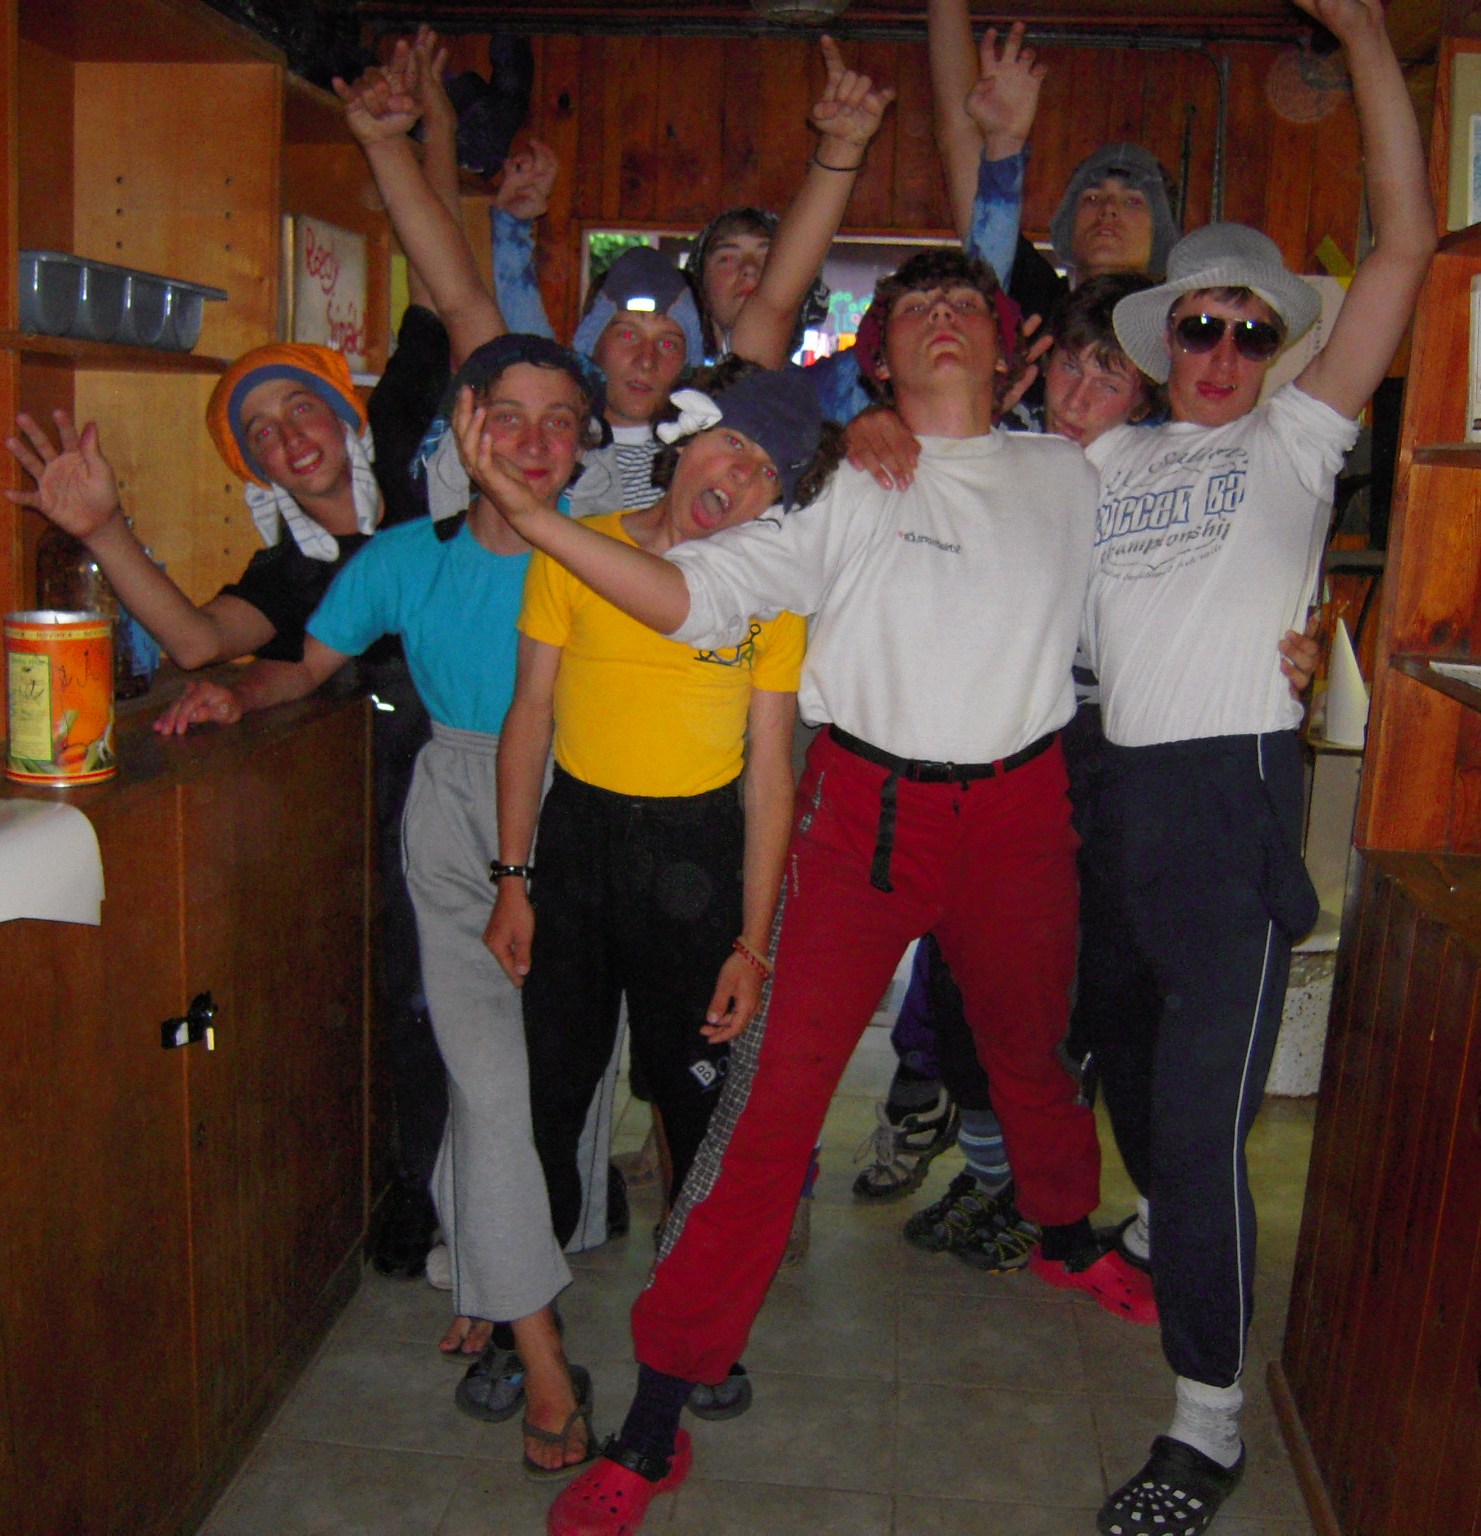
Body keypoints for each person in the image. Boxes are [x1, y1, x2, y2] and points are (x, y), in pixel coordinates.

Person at [463, 244, 1103, 1535]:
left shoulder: (1071, 475)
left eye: (963, 306)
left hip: (1023, 807)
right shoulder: (843, 492)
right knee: (767, 1107)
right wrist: (536, 523)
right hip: (866, 816)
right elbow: (687, 595)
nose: (940, 321)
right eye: (914, 308)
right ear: (878, 355)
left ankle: (1065, 1227)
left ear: (1005, 344)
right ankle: (658, 1412)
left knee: (1032, 1044)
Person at [1079, 2, 1433, 1529]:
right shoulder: (1106, 456)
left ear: (1277, 349)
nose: (1222, 352)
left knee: (1196, 1124)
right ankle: (1164, 1227)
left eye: (1248, 329)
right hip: (1111, 799)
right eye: (1198, 327)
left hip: (1227, 804)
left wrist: (1360, 36)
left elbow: (1406, 246)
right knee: (1118, 1062)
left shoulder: (1295, 440)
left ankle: (1207, 1421)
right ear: (1163, 343)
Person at [154, 333, 610, 1481]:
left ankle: (487, 1272)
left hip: (589, 808)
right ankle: (542, 1360)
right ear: (464, 426)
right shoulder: (404, 558)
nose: (534, 442)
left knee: (557, 1091)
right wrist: (231, 694)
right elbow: (302, 667)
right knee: (486, 1086)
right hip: (456, 816)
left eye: (560, 419)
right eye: (508, 416)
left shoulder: (613, 545)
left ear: (585, 441)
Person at [474, 358, 840, 1425]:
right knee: (550, 1092)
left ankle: (695, 1326)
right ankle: (520, 1322)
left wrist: (752, 943)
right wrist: (513, 879)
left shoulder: (768, 591)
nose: (742, 475)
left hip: (701, 854)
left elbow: (770, 772)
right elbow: (528, 716)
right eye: (732, 443)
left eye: (769, 471)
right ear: (684, 440)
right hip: (579, 845)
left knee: (697, 1106)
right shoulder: (576, 546)